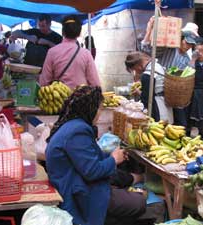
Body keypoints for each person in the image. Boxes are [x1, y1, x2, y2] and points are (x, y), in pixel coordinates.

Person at [45, 85, 146, 225]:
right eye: (99, 108)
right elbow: (92, 171)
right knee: (139, 202)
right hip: (77, 193)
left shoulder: (72, 125)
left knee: (122, 184)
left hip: (76, 181)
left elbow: (87, 158)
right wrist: (113, 159)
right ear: (90, 108)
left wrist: (111, 156)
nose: (99, 113)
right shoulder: (77, 131)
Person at [141, 18, 200, 126]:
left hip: (173, 93)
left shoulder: (186, 59)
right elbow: (145, 49)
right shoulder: (169, 49)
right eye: (186, 43)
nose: (188, 46)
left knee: (180, 123)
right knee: (158, 121)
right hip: (158, 90)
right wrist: (149, 30)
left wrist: (193, 60)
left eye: (191, 45)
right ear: (181, 39)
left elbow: (186, 74)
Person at [39, 15, 101, 89]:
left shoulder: (52, 52)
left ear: (63, 32)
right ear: (79, 33)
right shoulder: (86, 54)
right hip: (80, 99)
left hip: (58, 98)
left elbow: (44, 82)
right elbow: (95, 83)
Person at [125, 51, 173, 123]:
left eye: (134, 69)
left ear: (137, 65)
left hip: (157, 108)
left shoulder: (147, 75)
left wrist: (139, 93)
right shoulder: (156, 66)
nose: (135, 71)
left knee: (159, 129)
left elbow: (146, 98)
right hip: (165, 103)